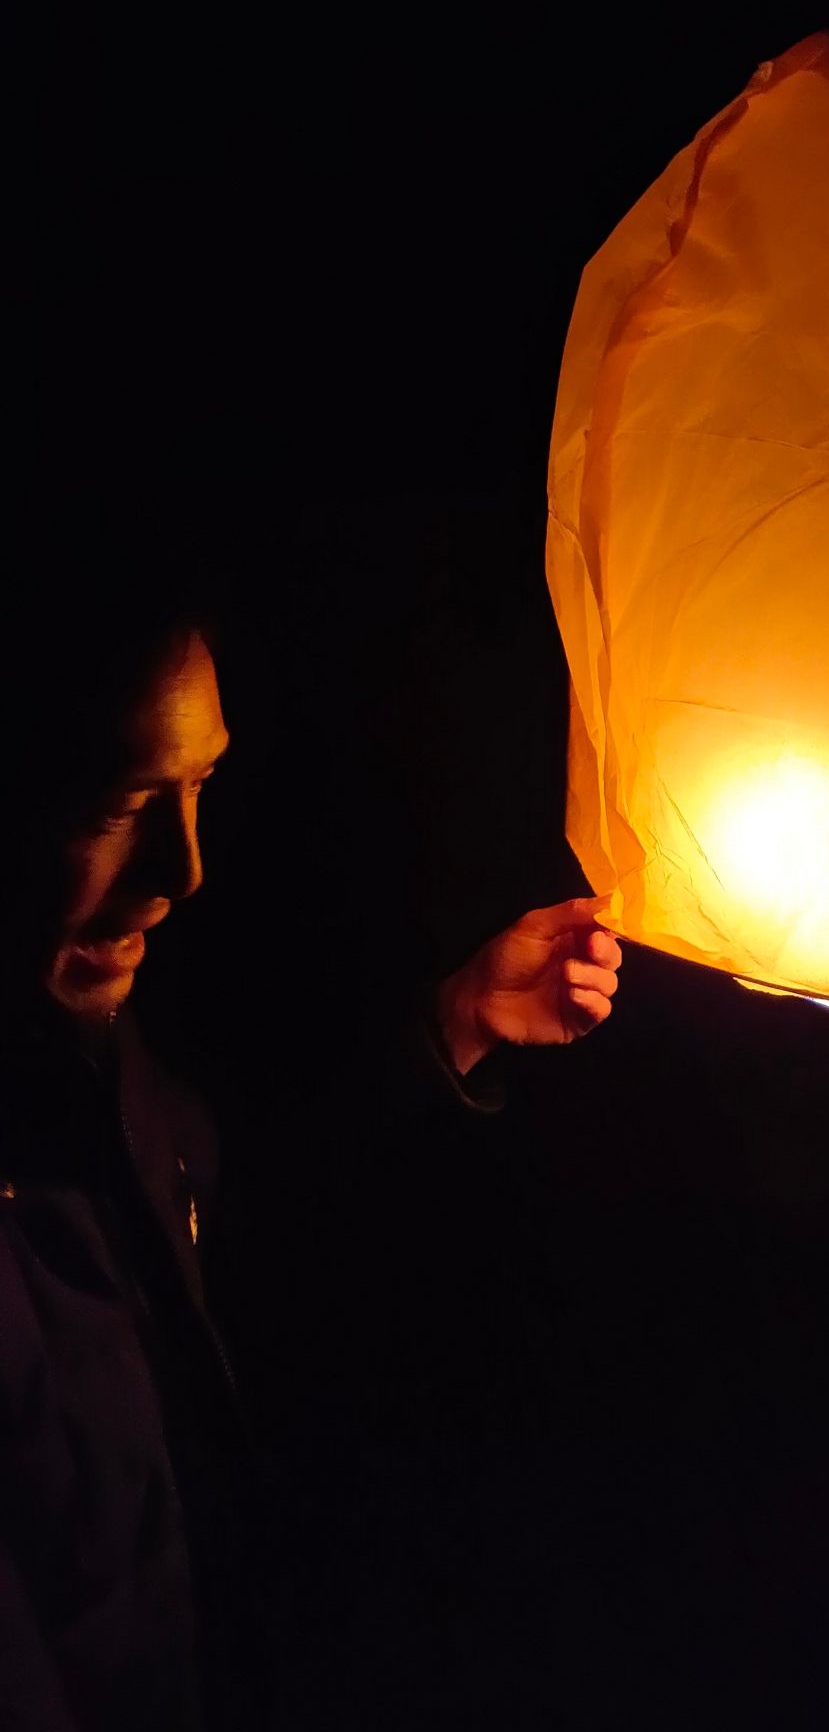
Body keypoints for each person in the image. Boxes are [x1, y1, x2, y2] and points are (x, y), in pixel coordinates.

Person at [0, 549, 622, 1732]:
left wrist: (456, 1028)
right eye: (117, 806)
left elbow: (241, 1247)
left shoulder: (100, 1070)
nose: (181, 871)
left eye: (201, 787)